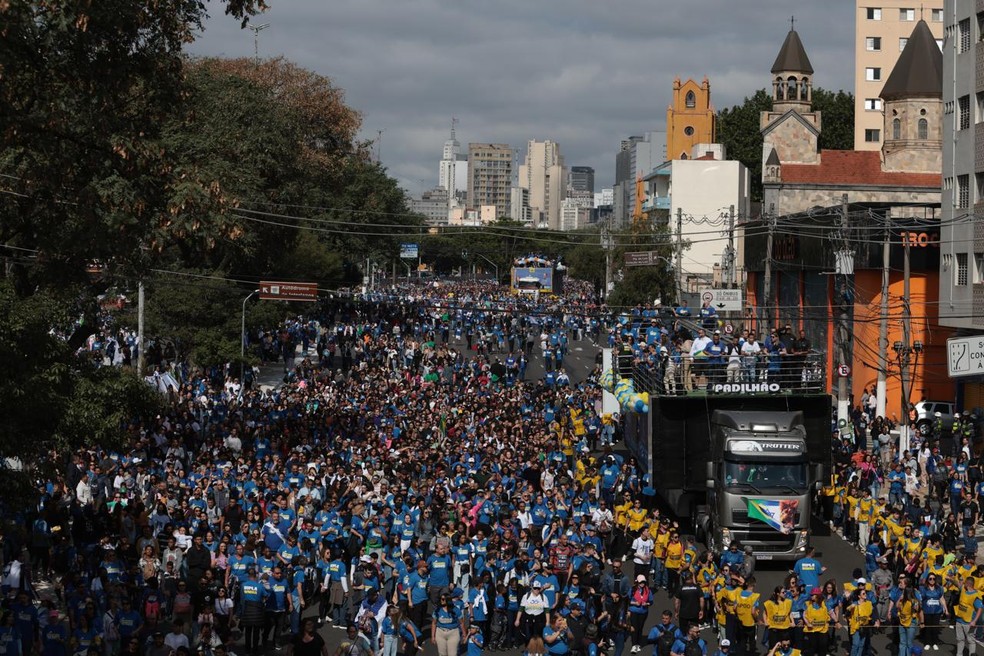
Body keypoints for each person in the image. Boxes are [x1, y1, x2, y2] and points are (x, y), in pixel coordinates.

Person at [432, 592, 464, 656]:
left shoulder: (455, 610)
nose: (441, 600)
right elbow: (434, 623)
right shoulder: (437, 610)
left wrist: (464, 635)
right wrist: (433, 636)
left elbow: (461, 623)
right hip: (440, 633)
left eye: (443, 599)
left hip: (453, 633)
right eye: (441, 599)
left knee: (452, 654)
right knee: (442, 654)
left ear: (448, 600)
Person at [627, 576, 652, 653]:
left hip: (643, 612)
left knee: (640, 628)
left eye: (643, 582)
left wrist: (646, 603)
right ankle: (634, 645)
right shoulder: (632, 589)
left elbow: (651, 601)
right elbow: (628, 600)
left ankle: (638, 644)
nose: (642, 584)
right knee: (634, 628)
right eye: (641, 582)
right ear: (637, 582)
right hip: (634, 611)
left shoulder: (647, 590)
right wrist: (635, 603)